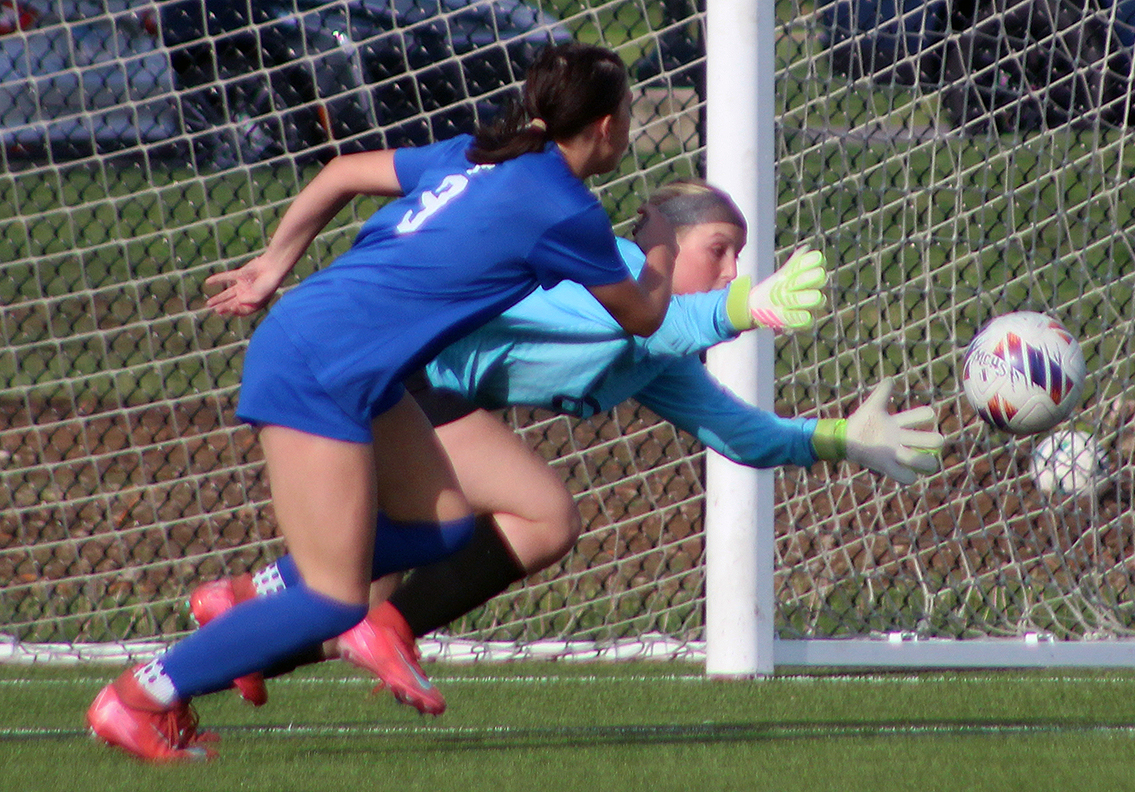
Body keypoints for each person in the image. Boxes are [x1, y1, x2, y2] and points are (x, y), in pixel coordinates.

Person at [86, 42, 682, 762]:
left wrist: (277, 261)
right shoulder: (563, 207)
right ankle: (136, 697)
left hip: (348, 357)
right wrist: (663, 244)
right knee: (336, 602)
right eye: (627, 109)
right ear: (608, 126)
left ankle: (251, 596)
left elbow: (340, 171)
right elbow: (643, 315)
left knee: (442, 528)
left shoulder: (476, 153)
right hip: (324, 366)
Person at [188, 180, 944, 716]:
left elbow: (735, 430)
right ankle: (304, 617)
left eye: (740, 261)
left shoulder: (649, 347)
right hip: (397, 382)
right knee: (543, 516)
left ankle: (239, 625)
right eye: (719, 250)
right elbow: (671, 323)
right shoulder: (600, 265)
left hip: (410, 399)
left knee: (356, 591)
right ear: (661, 240)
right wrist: (751, 306)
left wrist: (838, 438)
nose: (731, 271)